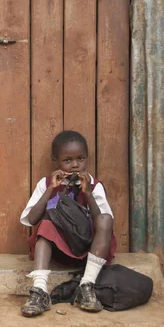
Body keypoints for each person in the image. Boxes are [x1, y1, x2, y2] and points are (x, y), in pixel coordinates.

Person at [19, 130, 116, 316]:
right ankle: (39, 290)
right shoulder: (47, 183)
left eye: (80, 159)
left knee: (106, 218)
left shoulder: (94, 185)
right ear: (56, 161)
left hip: (88, 250)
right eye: (67, 160)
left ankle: (86, 286)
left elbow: (103, 223)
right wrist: (51, 190)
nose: (75, 165)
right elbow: (31, 220)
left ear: (87, 159)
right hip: (57, 250)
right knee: (48, 220)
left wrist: (88, 193)